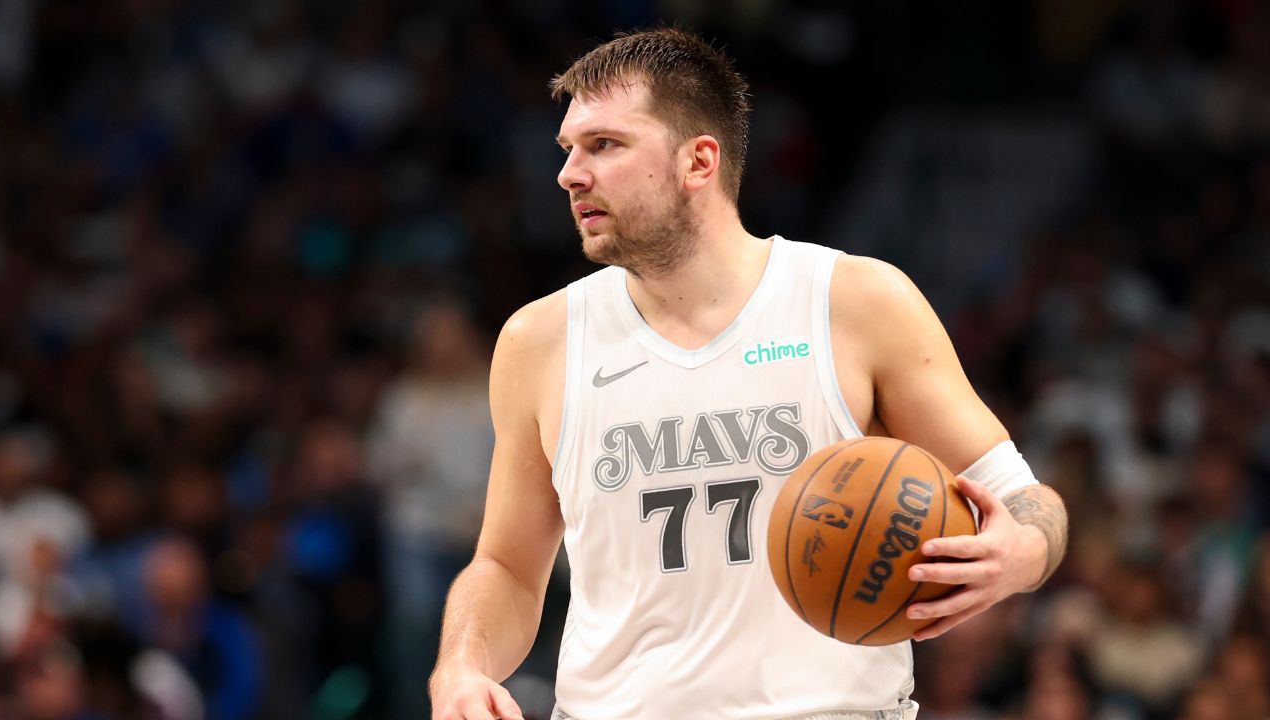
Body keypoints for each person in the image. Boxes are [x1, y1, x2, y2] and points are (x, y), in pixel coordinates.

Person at [429, 27, 1069, 720]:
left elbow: (1027, 501)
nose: (570, 173)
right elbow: (507, 568)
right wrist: (462, 666)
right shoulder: (538, 341)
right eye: (569, 150)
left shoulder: (855, 303)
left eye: (604, 145)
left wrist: (1020, 553)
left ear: (698, 161)